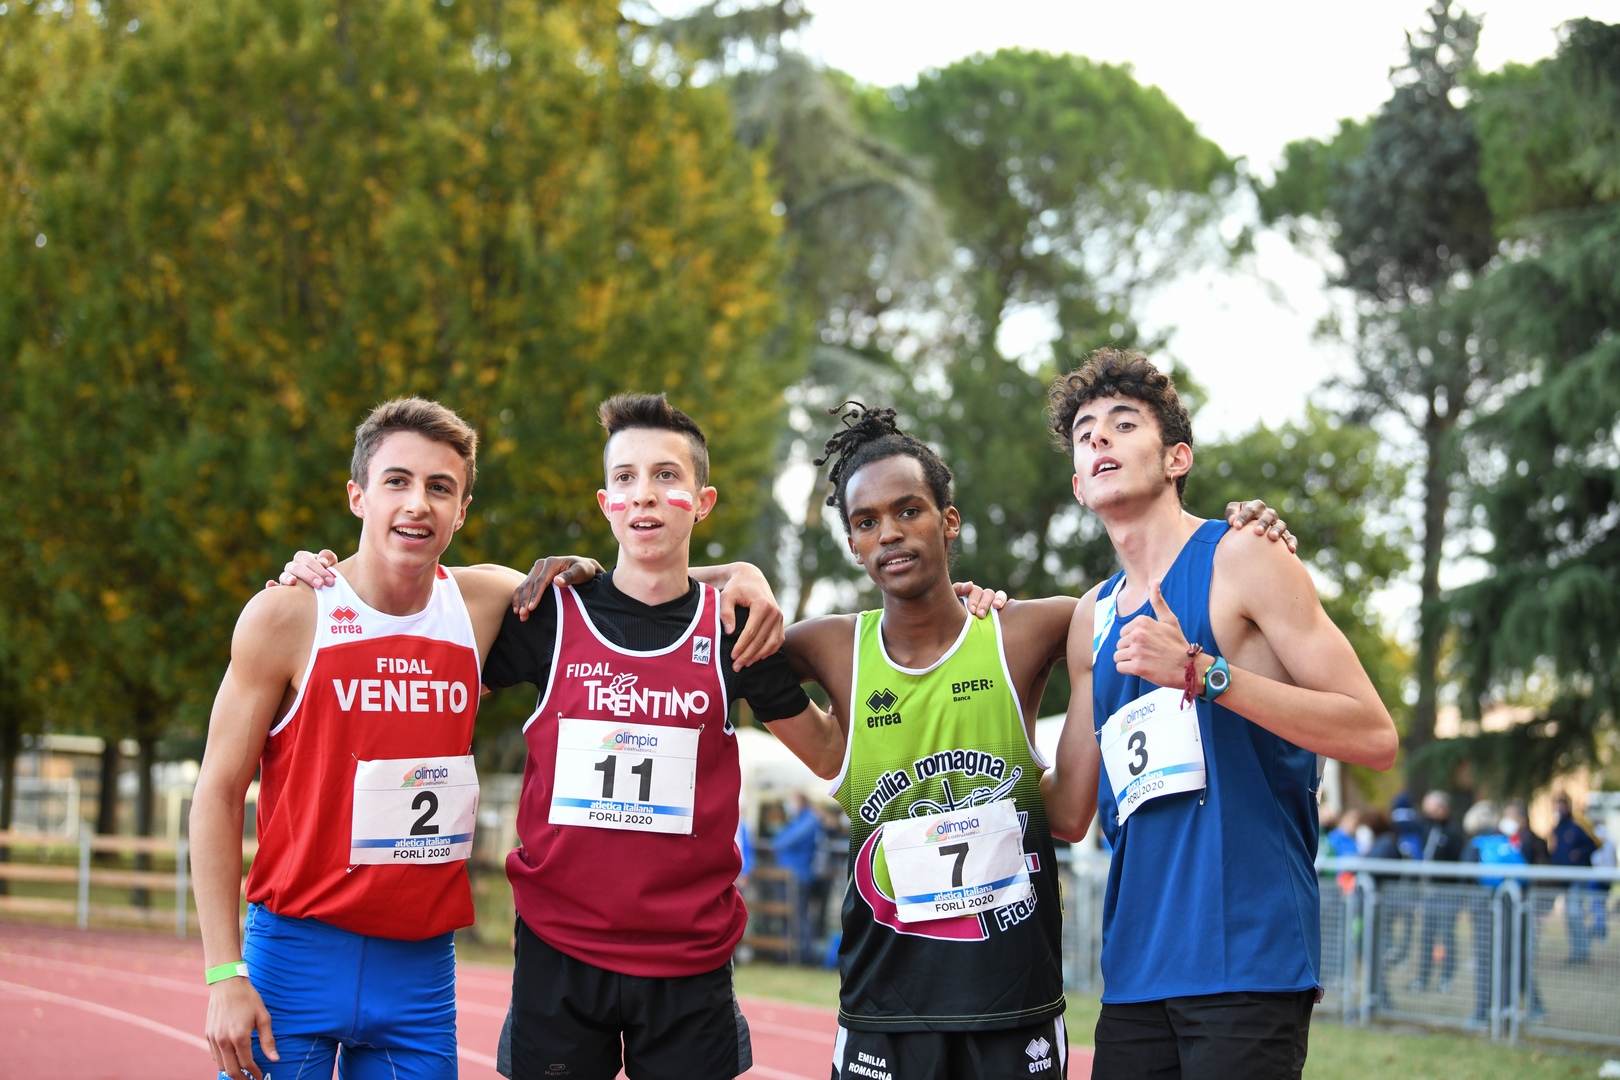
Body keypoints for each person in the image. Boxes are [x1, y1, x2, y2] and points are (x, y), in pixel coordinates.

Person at [190, 398, 602, 1080]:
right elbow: (217, 792)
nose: (418, 504)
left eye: (440, 487)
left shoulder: (486, 603)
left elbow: (646, 599)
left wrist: (737, 576)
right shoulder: (288, 614)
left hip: (418, 975)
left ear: (462, 510)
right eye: (397, 481)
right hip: (293, 959)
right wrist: (222, 972)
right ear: (358, 495)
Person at [1040, 348, 1398, 1080]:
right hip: (1136, 970)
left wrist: (1204, 675)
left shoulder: (1245, 557)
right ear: (1078, 484)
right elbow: (1069, 814)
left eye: (1123, 423)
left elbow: (1373, 734)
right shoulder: (1090, 619)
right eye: (1085, 432)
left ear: (1178, 458)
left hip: (1247, 955)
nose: (1100, 436)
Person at [482, 393, 835, 1080]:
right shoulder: (549, 617)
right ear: (605, 503)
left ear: (702, 502)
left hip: (687, 958)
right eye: (625, 477)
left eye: (666, 475)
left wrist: (881, 647)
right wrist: (318, 585)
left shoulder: (735, 631)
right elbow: (434, 674)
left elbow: (826, 753)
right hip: (560, 947)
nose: (644, 493)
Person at [1412, 790, 1466, 993]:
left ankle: (1446, 977)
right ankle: (1423, 977)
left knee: (1446, 936)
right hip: (1429, 893)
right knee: (1426, 935)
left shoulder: (1453, 834)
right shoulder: (1426, 830)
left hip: (1446, 893)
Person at [770, 792, 826, 964]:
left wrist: (778, 841)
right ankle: (787, 955)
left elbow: (783, 841)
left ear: (800, 802)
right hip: (790, 875)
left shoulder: (809, 820)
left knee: (800, 917)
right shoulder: (799, 819)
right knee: (789, 917)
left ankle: (805, 956)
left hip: (799, 876)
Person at [1550, 792, 1599, 963]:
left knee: (1574, 911)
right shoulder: (1557, 828)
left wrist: (1578, 854)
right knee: (1569, 914)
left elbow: (1593, 844)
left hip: (1578, 877)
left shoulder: (1577, 826)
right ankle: (1576, 950)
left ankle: (1582, 951)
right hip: (1564, 878)